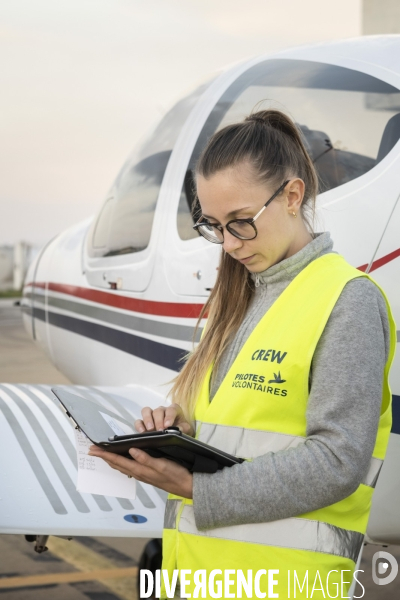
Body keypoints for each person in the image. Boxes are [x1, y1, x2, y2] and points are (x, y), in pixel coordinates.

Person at [89, 109, 396, 599]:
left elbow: (339, 460)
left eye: (241, 222)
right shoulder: (242, 299)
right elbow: (247, 429)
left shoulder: (347, 300)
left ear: (293, 196)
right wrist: (181, 431)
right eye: (213, 225)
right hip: (202, 576)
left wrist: (198, 490)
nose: (229, 244)